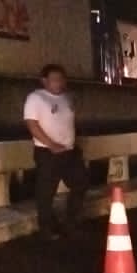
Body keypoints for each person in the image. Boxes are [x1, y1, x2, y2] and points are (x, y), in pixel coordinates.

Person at [23, 63, 89, 240]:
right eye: (54, 79)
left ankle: (70, 223)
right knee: (46, 192)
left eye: (61, 79)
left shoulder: (67, 98)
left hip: (69, 151)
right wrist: (51, 144)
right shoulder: (36, 98)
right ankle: (46, 228)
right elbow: (32, 124)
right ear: (44, 81)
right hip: (47, 152)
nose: (59, 82)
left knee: (81, 183)